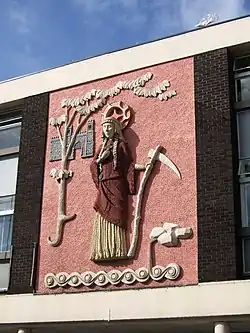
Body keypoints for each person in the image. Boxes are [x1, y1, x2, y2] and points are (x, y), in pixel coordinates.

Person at [90, 116, 144, 261]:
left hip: (117, 184)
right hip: (104, 185)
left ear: (115, 128)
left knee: (118, 213)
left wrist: (139, 168)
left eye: (109, 127)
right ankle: (102, 249)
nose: (107, 130)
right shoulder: (102, 148)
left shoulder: (121, 145)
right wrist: (101, 160)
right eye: (105, 127)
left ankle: (117, 247)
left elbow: (128, 165)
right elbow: (93, 165)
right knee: (102, 212)